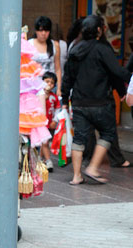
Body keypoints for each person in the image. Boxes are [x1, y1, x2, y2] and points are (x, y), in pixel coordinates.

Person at [61, 15, 132, 185]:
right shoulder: (103, 49)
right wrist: (130, 78)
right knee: (107, 133)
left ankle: (76, 176)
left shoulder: (75, 50)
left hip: (78, 102)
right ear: (99, 30)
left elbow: (67, 79)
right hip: (101, 102)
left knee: (79, 138)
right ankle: (92, 167)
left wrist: (64, 99)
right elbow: (116, 71)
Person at [28, 16, 62, 97]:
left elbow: (57, 68)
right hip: (34, 86)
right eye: (41, 30)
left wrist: (59, 88)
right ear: (36, 31)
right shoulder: (29, 44)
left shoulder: (55, 45)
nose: (43, 33)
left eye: (46, 30)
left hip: (50, 85)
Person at [40, 71, 60, 172]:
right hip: (41, 123)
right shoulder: (39, 94)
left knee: (44, 143)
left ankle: (39, 159)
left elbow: (57, 109)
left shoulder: (54, 97)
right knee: (45, 142)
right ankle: (48, 161)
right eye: (47, 81)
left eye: (52, 83)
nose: (49, 84)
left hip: (49, 123)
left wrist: (55, 120)